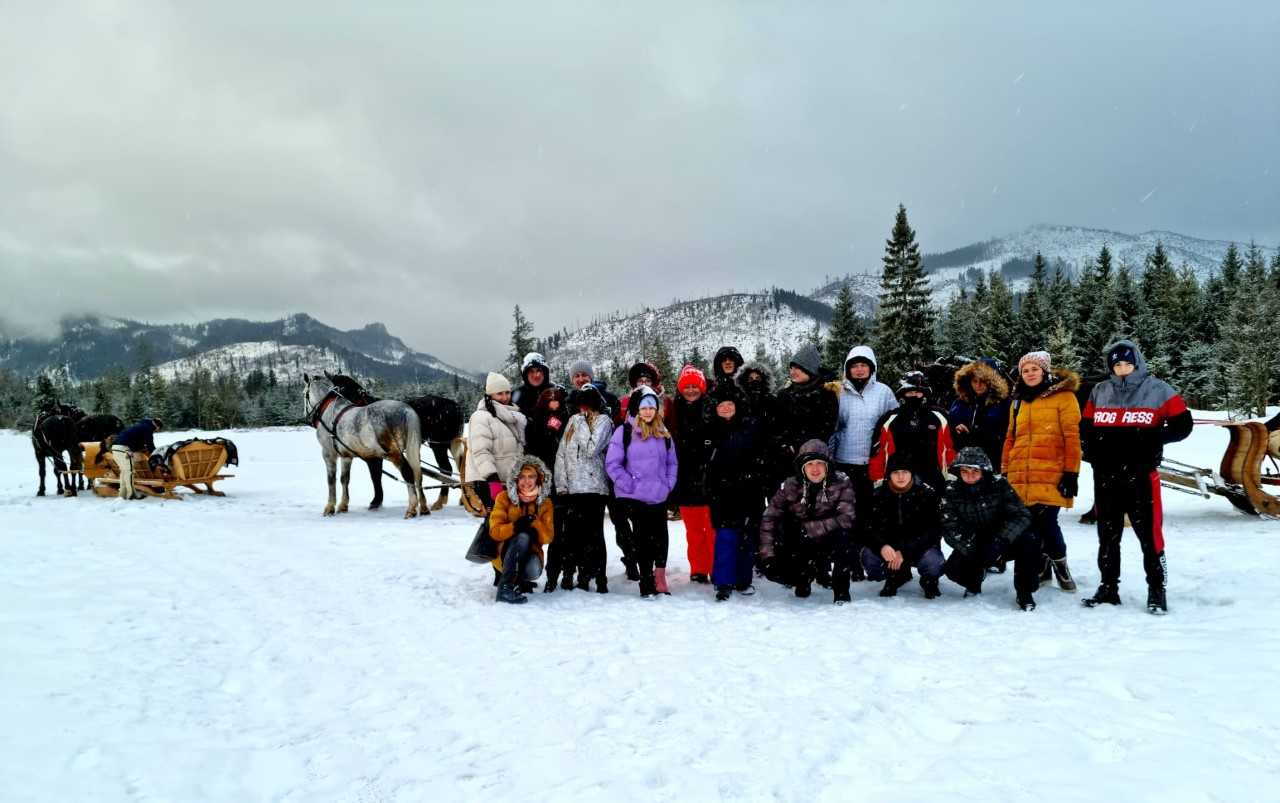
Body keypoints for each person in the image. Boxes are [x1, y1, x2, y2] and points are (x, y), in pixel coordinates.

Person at [1080, 340, 1192, 615]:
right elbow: (1086, 425)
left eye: (1127, 363)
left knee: (1149, 535)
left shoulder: (1157, 389)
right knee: (1107, 534)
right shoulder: (1100, 390)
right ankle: (1108, 587)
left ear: (1137, 363)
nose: (1122, 369)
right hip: (1106, 475)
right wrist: (1093, 450)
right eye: (1116, 364)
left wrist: (1153, 439)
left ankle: (1156, 589)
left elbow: (1183, 424)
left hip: (1141, 476)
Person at [1002, 351, 1081, 593]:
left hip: (1050, 473)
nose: (1030, 374)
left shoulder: (1064, 397)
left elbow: (1072, 438)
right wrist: (1005, 470)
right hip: (1021, 474)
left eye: (1034, 369)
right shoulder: (1018, 401)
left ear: (1045, 370)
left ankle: (1061, 566)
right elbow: (1010, 438)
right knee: (1028, 526)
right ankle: (1041, 566)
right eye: (1025, 370)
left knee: (1047, 523)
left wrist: (1071, 473)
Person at [758, 440, 857, 605]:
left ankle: (841, 590)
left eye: (820, 463)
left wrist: (812, 529)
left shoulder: (841, 481)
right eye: (810, 463)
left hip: (830, 539)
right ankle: (803, 578)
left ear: (827, 465)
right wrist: (768, 555)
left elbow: (847, 517)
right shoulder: (790, 485)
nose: (815, 468)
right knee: (778, 568)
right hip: (800, 542)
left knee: (845, 539)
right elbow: (770, 517)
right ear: (802, 467)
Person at [940, 447, 1039, 610]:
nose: (969, 476)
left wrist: (1001, 540)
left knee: (1030, 540)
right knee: (953, 570)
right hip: (974, 541)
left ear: (983, 470)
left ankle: (1024, 592)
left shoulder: (999, 485)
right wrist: (970, 548)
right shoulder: (951, 491)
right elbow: (949, 526)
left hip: (1003, 538)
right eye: (964, 471)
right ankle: (975, 580)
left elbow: (1022, 515)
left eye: (974, 471)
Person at [605, 386, 679, 597]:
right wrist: (629, 485)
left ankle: (660, 578)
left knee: (661, 537)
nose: (648, 411)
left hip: (658, 494)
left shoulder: (663, 433)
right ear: (637, 409)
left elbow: (672, 463)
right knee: (642, 540)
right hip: (635, 496)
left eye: (652, 407)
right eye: (644, 407)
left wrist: (668, 484)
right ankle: (646, 580)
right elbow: (612, 464)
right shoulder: (624, 431)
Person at [831, 345, 898, 578]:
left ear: (872, 368)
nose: (859, 370)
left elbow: (893, 424)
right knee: (846, 515)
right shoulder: (839, 392)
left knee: (869, 514)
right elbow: (833, 427)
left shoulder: (883, 392)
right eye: (854, 366)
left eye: (863, 365)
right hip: (843, 462)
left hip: (873, 465)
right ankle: (850, 562)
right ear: (848, 369)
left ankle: (869, 558)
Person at [704, 381, 768, 601]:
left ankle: (743, 579)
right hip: (721, 494)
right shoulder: (710, 428)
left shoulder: (751, 426)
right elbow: (706, 464)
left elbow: (760, 458)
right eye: (721, 405)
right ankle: (723, 582)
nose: (725, 408)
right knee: (725, 538)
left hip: (748, 491)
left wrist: (755, 480)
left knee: (747, 538)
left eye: (729, 404)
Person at [552, 385, 614, 593]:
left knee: (594, 534)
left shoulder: (604, 422)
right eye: (580, 405)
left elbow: (590, 449)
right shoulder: (573, 421)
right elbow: (561, 454)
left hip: (594, 488)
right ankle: (571, 573)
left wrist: (581, 422)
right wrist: (561, 484)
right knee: (572, 534)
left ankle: (598, 577)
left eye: (587, 405)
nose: (583, 410)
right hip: (572, 489)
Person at [862, 452, 945, 598]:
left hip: (918, 547)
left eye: (905, 472)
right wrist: (882, 546)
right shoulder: (878, 495)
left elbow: (934, 531)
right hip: (890, 549)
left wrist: (904, 551)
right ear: (889, 474)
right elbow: (868, 528)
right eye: (896, 472)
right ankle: (897, 575)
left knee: (933, 562)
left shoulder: (926, 494)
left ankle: (929, 580)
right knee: (869, 557)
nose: (901, 477)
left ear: (911, 473)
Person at [869, 371, 955, 492]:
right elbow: (878, 453)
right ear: (903, 394)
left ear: (925, 393)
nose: (914, 396)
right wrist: (878, 480)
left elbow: (950, 449)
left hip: (933, 479)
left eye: (918, 392)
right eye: (910, 392)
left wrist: (951, 478)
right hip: (898, 480)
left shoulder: (939, 417)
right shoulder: (890, 419)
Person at [488, 456, 555, 604]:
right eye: (522, 477)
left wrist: (534, 522)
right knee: (522, 536)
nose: (526, 481)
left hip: (531, 556)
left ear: (539, 479)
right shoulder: (504, 497)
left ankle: (520, 580)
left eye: (531, 477)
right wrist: (515, 527)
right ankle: (505, 588)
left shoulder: (545, 503)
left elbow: (548, 537)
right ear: (516, 479)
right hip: (503, 554)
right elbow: (494, 531)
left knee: (531, 559)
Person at [672, 365, 715, 584]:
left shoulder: (711, 408)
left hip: (709, 478)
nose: (690, 390)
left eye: (694, 386)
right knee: (694, 531)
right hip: (685, 478)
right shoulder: (674, 410)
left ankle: (715, 568)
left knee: (712, 530)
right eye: (686, 386)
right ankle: (698, 568)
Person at [465, 373, 527, 513]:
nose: (505, 398)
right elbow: (481, 451)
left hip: (508, 481)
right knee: (496, 524)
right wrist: (493, 480)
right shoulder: (481, 417)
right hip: (489, 482)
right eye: (499, 394)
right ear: (490, 395)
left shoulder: (511, 415)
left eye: (507, 393)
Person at [773, 343, 839, 472]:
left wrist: (803, 446)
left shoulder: (826, 396)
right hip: (786, 460)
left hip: (815, 460)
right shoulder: (783, 395)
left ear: (810, 369)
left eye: (798, 368)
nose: (793, 372)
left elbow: (826, 428)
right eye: (791, 368)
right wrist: (785, 444)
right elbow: (776, 425)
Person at [527, 387, 570, 587]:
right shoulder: (534, 421)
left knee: (564, 532)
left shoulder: (567, 418)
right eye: (550, 400)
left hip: (564, 483)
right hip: (544, 483)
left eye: (557, 400)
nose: (554, 403)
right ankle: (544, 572)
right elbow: (534, 449)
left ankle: (562, 573)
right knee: (544, 530)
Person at [947, 358, 1012, 472]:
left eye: (983, 381)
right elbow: (949, 428)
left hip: (993, 462)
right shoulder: (959, 402)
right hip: (964, 463)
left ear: (992, 381)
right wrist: (956, 428)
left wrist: (978, 434)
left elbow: (1008, 434)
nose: (978, 385)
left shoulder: (1005, 403)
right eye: (974, 381)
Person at [110, 417, 162, 500]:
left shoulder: (140, 426)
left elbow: (136, 441)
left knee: (124, 472)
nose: (156, 431)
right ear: (157, 426)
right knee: (129, 472)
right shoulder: (148, 428)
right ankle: (131, 495)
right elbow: (150, 444)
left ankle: (123, 494)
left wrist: (139, 448)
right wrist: (155, 455)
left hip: (115, 447)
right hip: (124, 448)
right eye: (157, 430)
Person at [511, 352, 560, 419]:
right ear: (526, 375)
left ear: (545, 373)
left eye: (539, 370)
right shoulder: (517, 395)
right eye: (531, 371)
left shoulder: (555, 391)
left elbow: (564, 419)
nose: (536, 375)